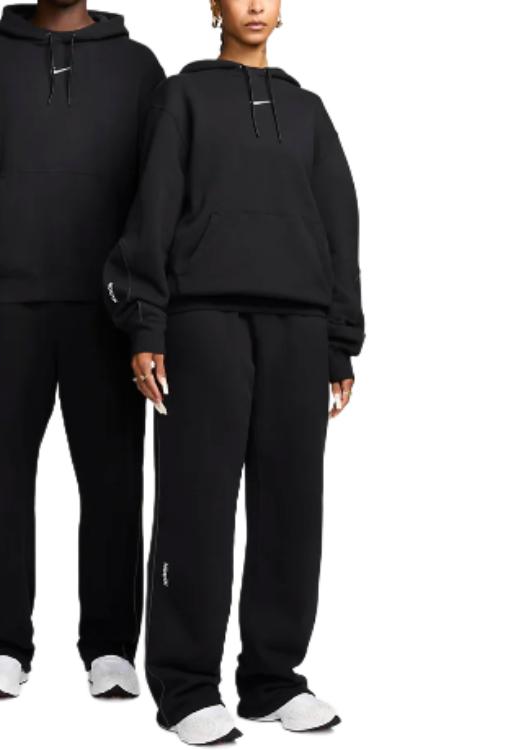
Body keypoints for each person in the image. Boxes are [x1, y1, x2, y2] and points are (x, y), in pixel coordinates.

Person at [103, 0, 365, 743]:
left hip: (298, 328)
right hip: (203, 322)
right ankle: (186, 687)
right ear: (213, 7)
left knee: (291, 509)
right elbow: (152, 211)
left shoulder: (308, 111)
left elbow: (339, 224)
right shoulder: (181, 98)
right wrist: (147, 324)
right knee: (197, 507)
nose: (255, 4)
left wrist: (340, 339)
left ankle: (273, 680)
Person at [0, 1, 164, 699]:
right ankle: (3, 645)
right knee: (4, 479)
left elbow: (157, 200)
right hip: (11, 302)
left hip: (109, 309)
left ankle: (111, 648)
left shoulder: (139, 68)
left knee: (114, 483)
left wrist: (151, 316)